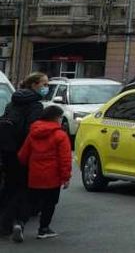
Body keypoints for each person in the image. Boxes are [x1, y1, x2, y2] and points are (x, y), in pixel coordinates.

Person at [0, 73, 47, 237]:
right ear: (34, 85)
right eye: (44, 84)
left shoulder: (13, 101)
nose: (46, 87)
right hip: (22, 152)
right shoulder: (35, 105)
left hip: (7, 150)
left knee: (9, 187)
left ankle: (4, 220)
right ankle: (9, 223)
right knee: (23, 189)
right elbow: (33, 131)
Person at [14, 104, 71, 241]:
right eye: (60, 117)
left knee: (31, 201)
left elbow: (22, 155)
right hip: (53, 176)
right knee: (50, 203)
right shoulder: (60, 135)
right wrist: (66, 177)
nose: (61, 120)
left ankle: (20, 223)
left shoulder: (33, 133)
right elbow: (65, 158)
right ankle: (43, 229)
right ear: (56, 118)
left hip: (35, 175)